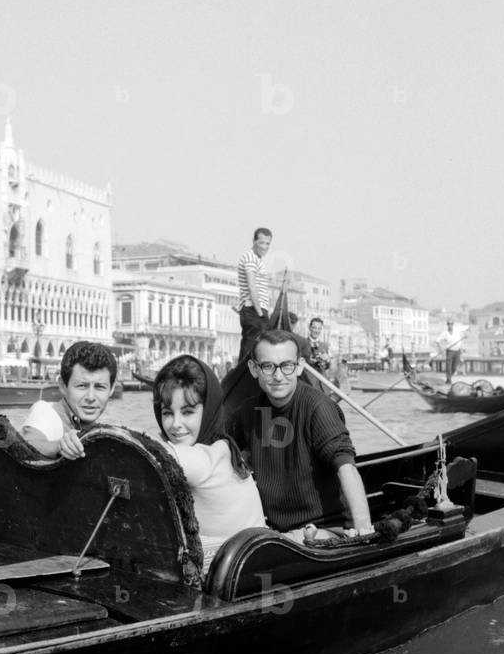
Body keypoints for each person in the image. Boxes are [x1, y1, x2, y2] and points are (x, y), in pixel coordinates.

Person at [231, 329, 373, 539]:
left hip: (326, 529)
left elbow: (346, 467)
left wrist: (363, 529)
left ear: (299, 367)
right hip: (273, 531)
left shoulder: (318, 408)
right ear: (253, 369)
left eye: (287, 366)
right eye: (268, 366)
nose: (278, 376)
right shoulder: (247, 412)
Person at [152, 355, 266, 569]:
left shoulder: (207, 458)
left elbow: (143, 453)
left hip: (239, 575)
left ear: (209, 410)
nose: (176, 425)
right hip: (246, 563)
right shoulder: (222, 446)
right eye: (167, 413)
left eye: (187, 412)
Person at [21, 341, 118, 459]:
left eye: (100, 387)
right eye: (82, 386)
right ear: (63, 386)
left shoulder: (106, 428)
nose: (91, 397)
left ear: (111, 389)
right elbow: (27, 444)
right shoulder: (46, 413)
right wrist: (59, 446)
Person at [236, 227, 272, 360]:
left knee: (254, 350)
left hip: (255, 310)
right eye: (261, 243)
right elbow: (252, 287)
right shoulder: (250, 258)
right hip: (253, 310)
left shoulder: (257, 259)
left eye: (267, 244)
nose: (264, 247)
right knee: (251, 351)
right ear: (254, 241)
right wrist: (260, 313)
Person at [434, 319, 466, 384]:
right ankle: (449, 380)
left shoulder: (457, 330)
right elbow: (437, 340)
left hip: (457, 351)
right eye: (449, 324)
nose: (450, 325)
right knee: (448, 366)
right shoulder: (445, 333)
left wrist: (465, 335)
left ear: (453, 325)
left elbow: (465, 329)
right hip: (450, 351)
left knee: (454, 367)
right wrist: (440, 349)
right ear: (447, 325)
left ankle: (449, 378)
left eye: (451, 324)